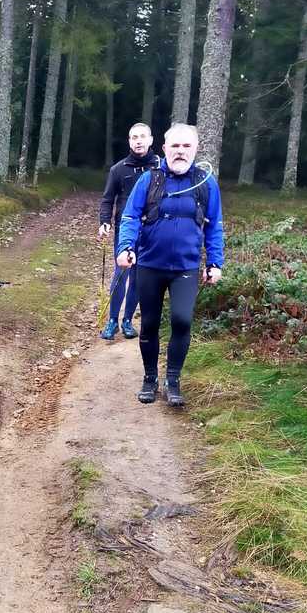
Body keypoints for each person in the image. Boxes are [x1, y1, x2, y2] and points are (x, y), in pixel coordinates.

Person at [116, 123, 224, 407]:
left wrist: (215, 262)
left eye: (186, 146)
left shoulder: (205, 182)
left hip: (186, 268)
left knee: (182, 320)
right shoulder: (149, 179)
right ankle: (150, 378)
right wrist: (126, 248)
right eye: (175, 145)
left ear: (196, 149)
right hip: (150, 264)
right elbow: (130, 217)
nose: (180, 151)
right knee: (150, 323)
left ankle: (173, 381)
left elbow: (215, 226)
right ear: (164, 148)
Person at [98, 122, 160, 340]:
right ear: (129, 141)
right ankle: (112, 321)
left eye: (143, 137)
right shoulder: (118, 169)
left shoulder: (160, 167)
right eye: (134, 137)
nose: (139, 141)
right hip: (125, 229)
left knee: (138, 277)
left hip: (151, 230)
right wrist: (104, 222)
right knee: (121, 272)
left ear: (151, 140)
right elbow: (107, 199)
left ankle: (127, 321)